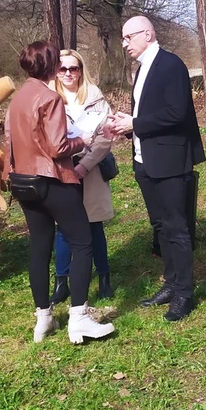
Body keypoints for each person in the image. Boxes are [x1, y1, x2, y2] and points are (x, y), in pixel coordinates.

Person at [3, 41, 115, 344]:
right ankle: (78, 318)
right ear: (52, 66)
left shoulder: (17, 99)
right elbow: (58, 147)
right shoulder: (49, 98)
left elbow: (10, 142)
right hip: (53, 180)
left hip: (23, 182)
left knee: (39, 248)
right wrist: (85, 139)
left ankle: (44, 318)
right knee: (82, 242)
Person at [108, 15, 205, 322]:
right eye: (123, 39)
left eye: (128, 38)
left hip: (170, 162)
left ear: (147, 34)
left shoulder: (171, 65)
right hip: (144, 161)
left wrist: (135, 122)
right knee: (160, 226)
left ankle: (185, 294)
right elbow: (151, 113)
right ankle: (171, 282)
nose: (125, 45)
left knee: (177, 228)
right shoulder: (142, 69)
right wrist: (126, 126)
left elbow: (177, 113)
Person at [51, 48, 115, 305]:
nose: (68, 73)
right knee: (63, 228)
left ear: (81, 70)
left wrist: (85, 165)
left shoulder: (96, 96)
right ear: (56, 71)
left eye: (73, 68)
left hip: (91, 168)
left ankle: (104, 278)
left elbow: (106, 136)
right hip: (60, 170)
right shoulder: (48, 97)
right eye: (62, 68)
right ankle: (61, 282)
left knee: (94, 226)